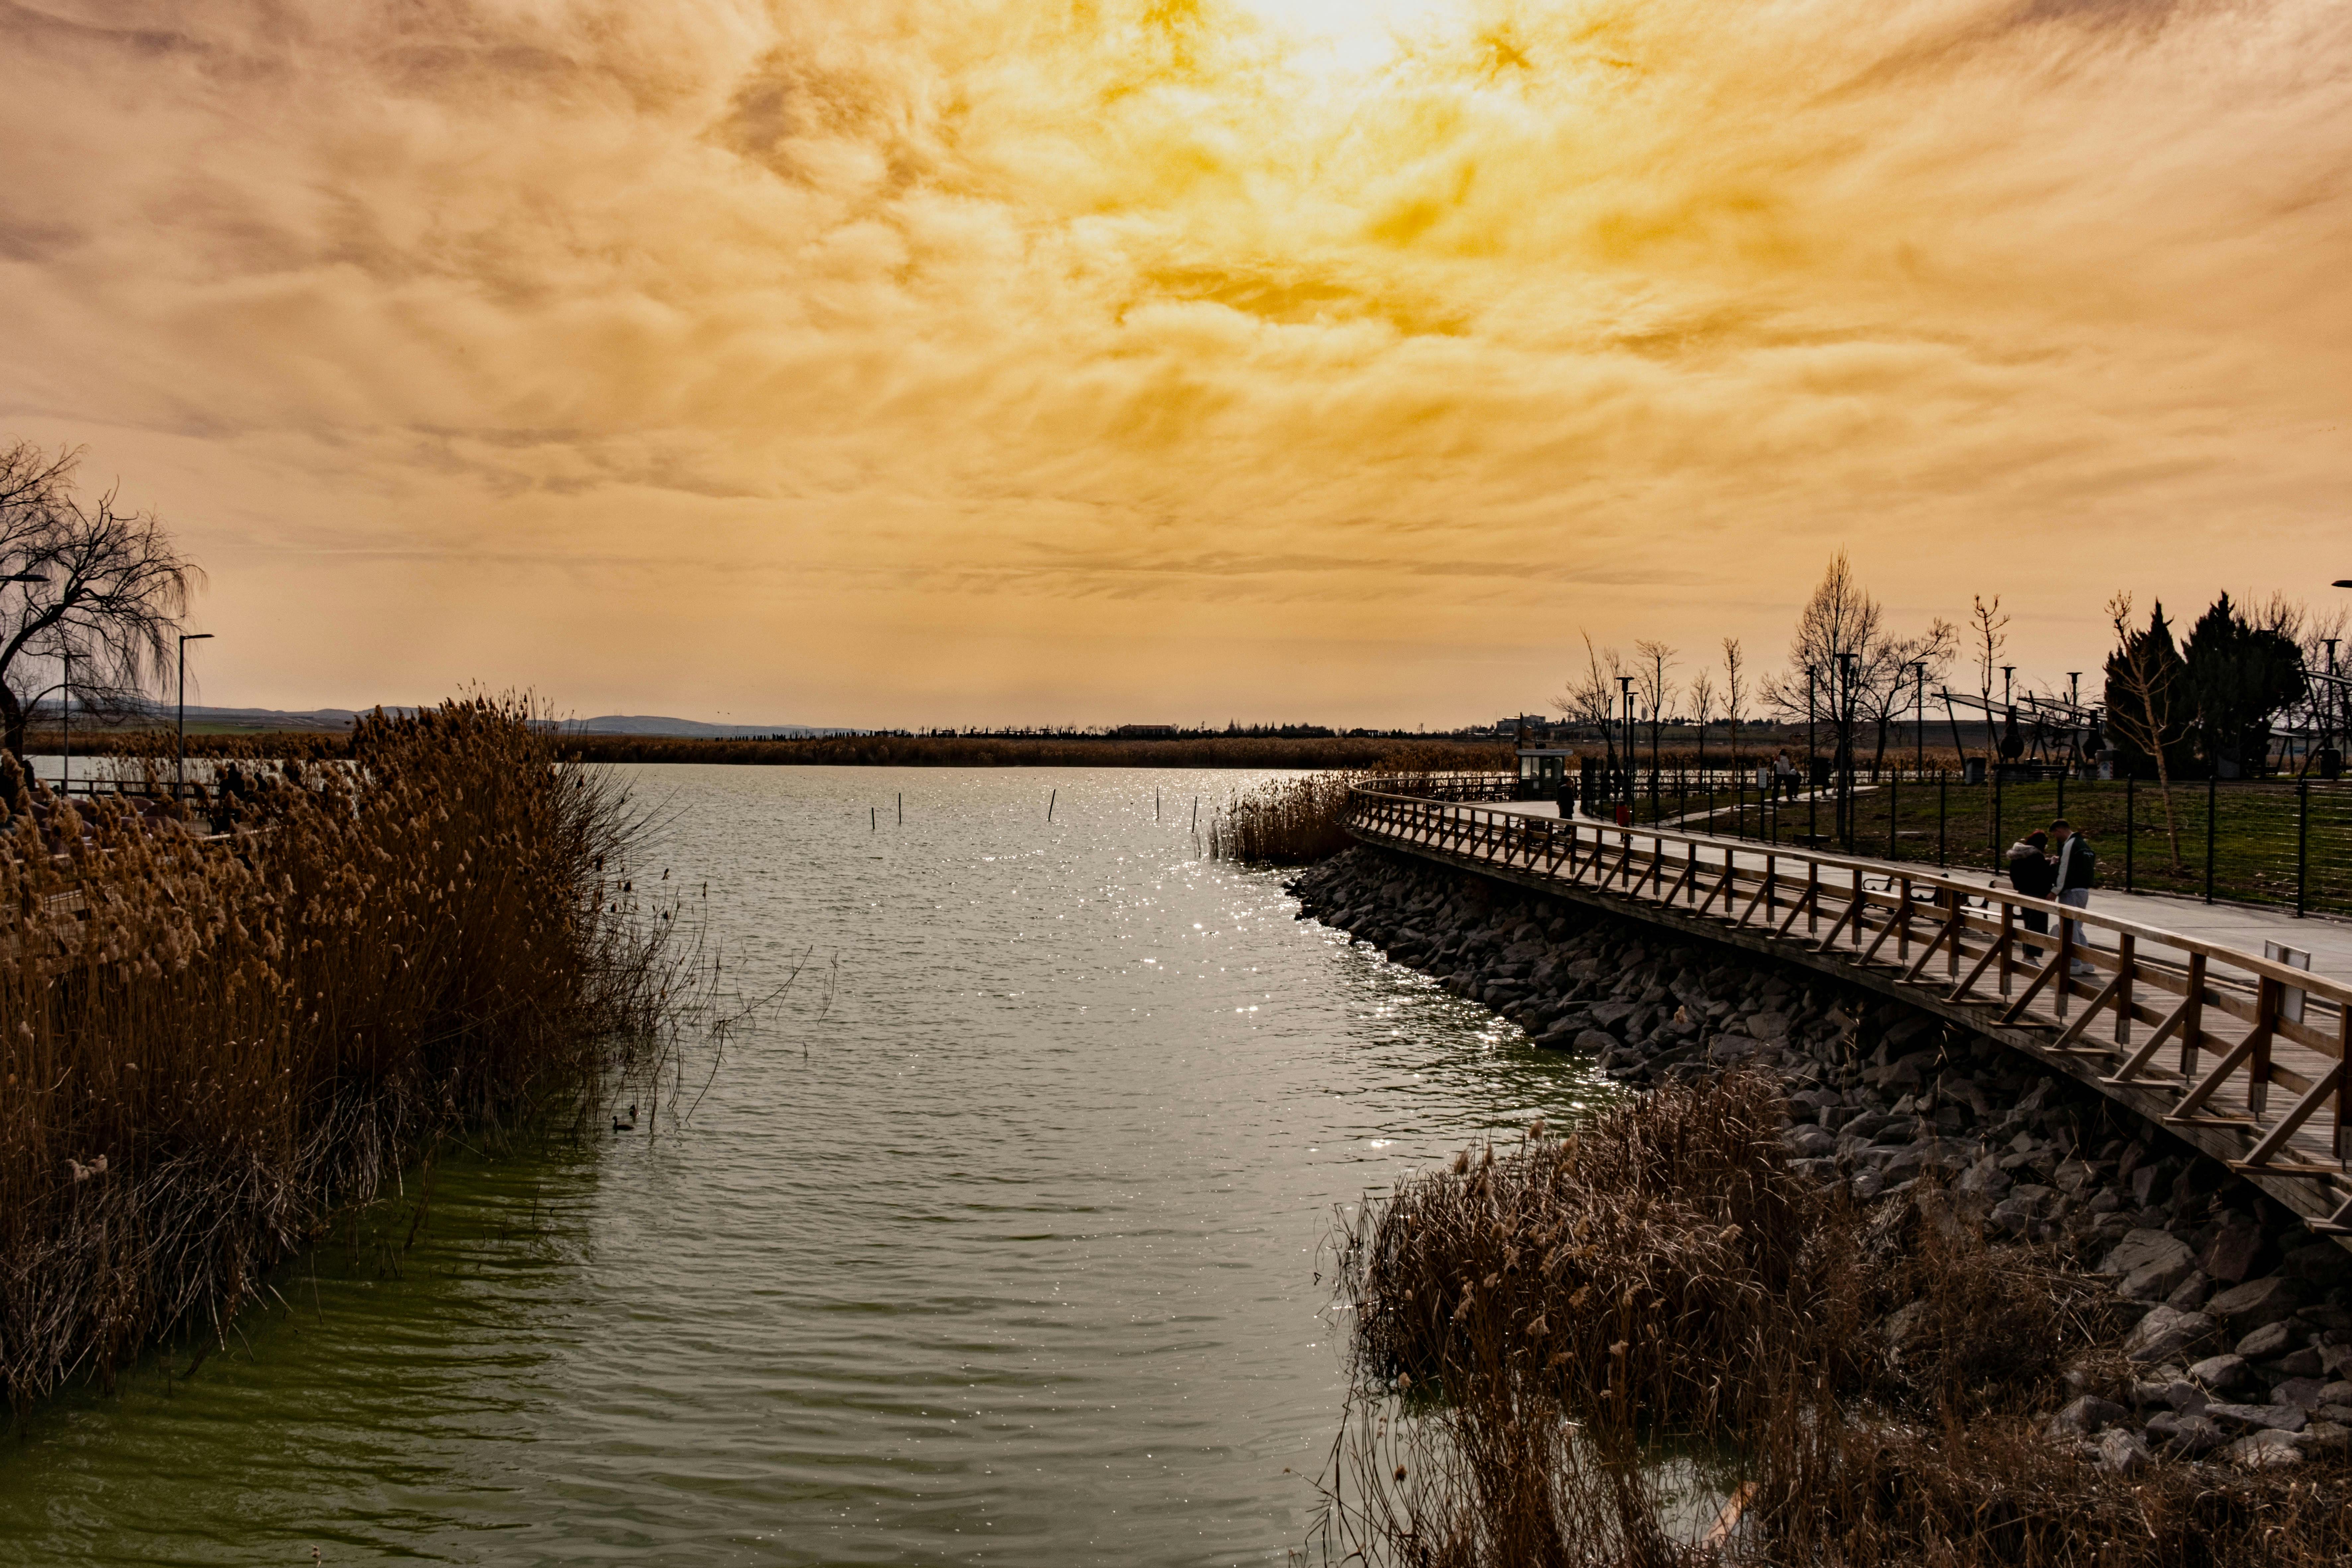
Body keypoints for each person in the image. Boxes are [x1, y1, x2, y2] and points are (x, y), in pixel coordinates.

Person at [2051, 817, 2097, 975]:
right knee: (2077, 926)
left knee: (2070, 927)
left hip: (2070, 891)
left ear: (2060, 830)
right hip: (2084, 890)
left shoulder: (2070, 845)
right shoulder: (2084, 844)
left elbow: (2064, 871)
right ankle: (2087, 961)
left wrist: (2055, 891)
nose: (2056, 838)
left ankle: (2074, 963)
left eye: (2056, 835)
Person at [2006, 829, 2054, 960]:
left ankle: (2027, 956)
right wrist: (2053, 865)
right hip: (2037, 895)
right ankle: (2030, 957)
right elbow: (2043, 876)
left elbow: (2021, 874)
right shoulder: (2036, 857)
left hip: (2023, 894)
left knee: (2029, 925)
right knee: (2038, 927)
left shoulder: (2018, 855)